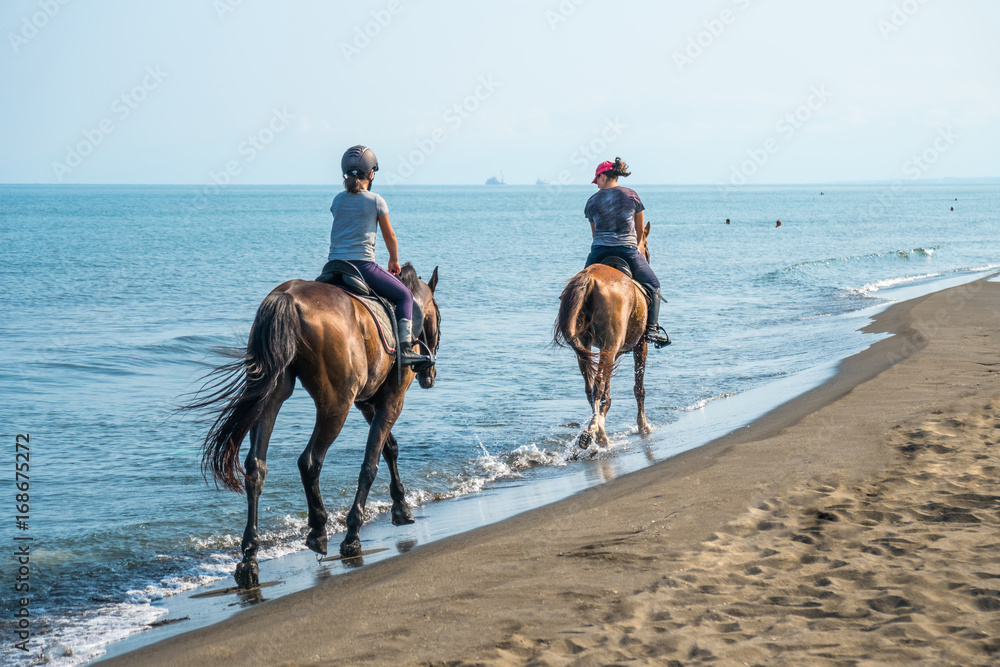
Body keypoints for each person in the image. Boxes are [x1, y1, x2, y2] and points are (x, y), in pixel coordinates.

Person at [323, 145, 433, 370]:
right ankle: (405, 350)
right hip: (362, 266)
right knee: (405, 296)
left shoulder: (337, 200)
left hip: (332, 266)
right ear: (371, 174)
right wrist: (394, 260)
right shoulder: (376, 200)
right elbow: (389, 235)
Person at [584, 158, 670, 348]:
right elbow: (640, 232)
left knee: (580, 287)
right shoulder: (632, 195)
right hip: (627, 251)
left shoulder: (591, 201)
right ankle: (652, 329)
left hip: (599, 251)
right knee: (654, 284)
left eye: (597, 180)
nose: (596, 184)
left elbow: (594, 234)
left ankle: (579, 327)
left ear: (603, 176)